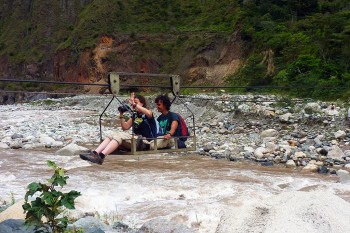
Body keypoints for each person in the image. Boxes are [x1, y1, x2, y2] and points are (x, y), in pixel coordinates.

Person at [80, 92, 157, 165]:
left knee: (119, 136)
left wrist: (134, 104)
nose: (134, 105)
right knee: (112, 135)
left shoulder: (147, 115)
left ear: (142, 103)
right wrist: (121, 114)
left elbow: (149, 113)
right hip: (135, 140)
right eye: (134, 103)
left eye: (137, 103)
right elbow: (125, 127)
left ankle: (101, 156)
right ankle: (95, 153)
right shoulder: (135, 115)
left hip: (145, 142)